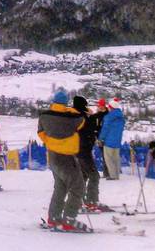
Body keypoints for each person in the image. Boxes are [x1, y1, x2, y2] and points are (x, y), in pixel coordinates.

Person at [37, 90, 89, 232]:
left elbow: (41, 133)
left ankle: (54, 217)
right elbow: (82, 121)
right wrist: (69, 109)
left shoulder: (44, 116)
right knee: (78, 187)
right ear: (66, 102)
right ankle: (69, 219)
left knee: (60, 187)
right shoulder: (72, 117)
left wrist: (51, 142)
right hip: (67, 157)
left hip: (53, 156)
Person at [72, 96, 110, 212]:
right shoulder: (81, 117)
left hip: (78, 150)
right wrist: (99, 113)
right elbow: (90, 125)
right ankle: (91, 202)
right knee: (94, 176)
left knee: (83, 176)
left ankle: (79, 201)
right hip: (83, 150)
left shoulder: (74, 115)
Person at [98, 98, 125, 180]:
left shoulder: (108, 117)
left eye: (109, 107)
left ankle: (112, 175)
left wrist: (101, 139)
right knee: (116, 159)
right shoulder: (121, 117)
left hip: (108, 142)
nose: (108, 108)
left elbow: (105, 129)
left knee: (109, 159)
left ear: (111, 108)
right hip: (117, 142)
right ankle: (117, 175)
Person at [95, 99, 110, 178]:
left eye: (101, 105)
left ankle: (108, 173)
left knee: (107, 155)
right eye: (99, 105)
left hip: (107, 137)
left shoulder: (108, 114)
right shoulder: (98, 115)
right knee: (104, 155)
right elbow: (96, 126)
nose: (99, 107)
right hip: (100, 138)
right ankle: (106, 173)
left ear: (104, 105)